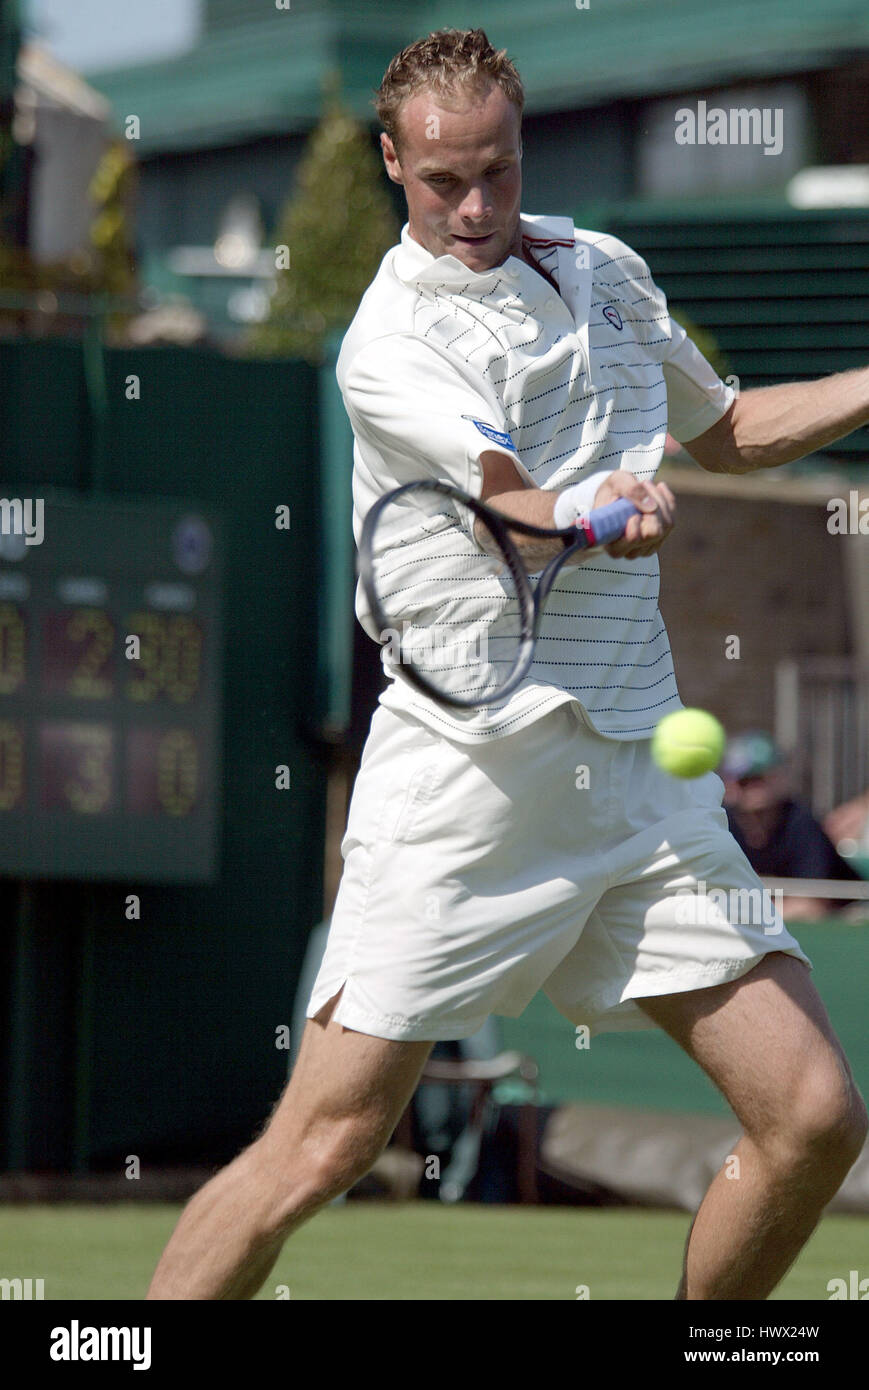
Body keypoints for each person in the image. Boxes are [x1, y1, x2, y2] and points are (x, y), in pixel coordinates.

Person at [147, 28, 869, 1301]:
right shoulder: (388, 343)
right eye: (442, 181)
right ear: (391, 162)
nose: (476, 207)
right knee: (320, 1145)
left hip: (638, 778)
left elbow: (737, 432)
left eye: (498, 171)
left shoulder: (606, 269)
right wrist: (606, 508)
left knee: (813, 1115)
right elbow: (511, 499)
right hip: (465, 785)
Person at [722, 732, 865, 920]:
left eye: (761, 778)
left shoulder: (801, 824)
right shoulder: (721, 825)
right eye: (744, 781)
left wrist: (746, 915)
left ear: (779, 777)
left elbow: (811, 904)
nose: (753, 788)